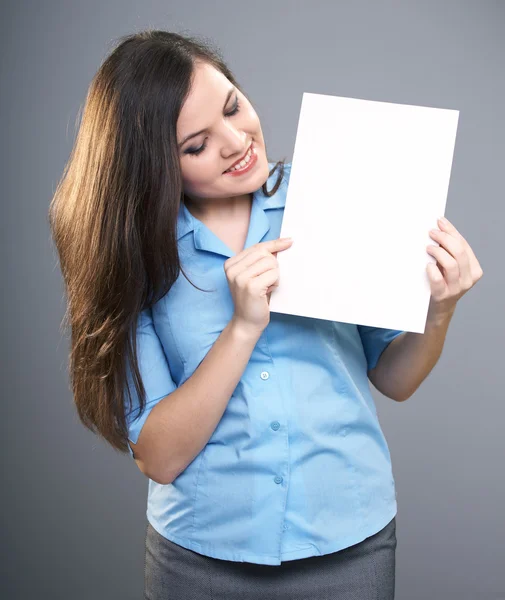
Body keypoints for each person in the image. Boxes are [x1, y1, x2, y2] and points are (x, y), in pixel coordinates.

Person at [48, 29, 403, 600]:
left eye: (234, 106)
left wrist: (440, 308)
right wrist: (241, 328)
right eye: (197, 145)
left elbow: (394, 375)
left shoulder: (329, 198)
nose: (238, 141)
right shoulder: (135, 252)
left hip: (352, 540)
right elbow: (159, 457)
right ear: (154, 167)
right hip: (201, 559)